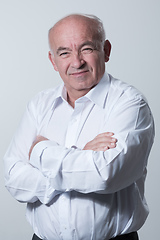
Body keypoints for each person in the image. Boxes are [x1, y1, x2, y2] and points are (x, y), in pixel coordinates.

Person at [4, 14, 154, 240]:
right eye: (64, 53)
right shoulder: (39, 105)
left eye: (86, 49)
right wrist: (83, 154)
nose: (76, 62)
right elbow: (14, 179)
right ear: (53, 61)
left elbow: (105, 175)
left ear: (106, 50)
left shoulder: (130, 103)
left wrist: (39, 152)